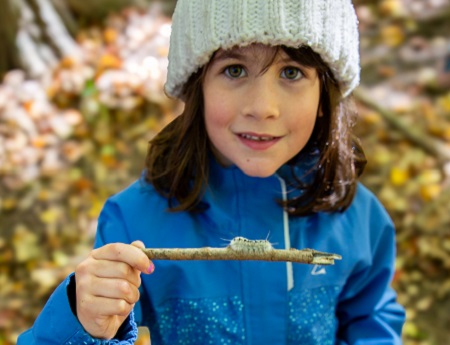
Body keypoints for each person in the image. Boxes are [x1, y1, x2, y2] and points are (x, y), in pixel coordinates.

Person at [18, 0, 406, 344]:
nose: (262, 107)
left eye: (291, 73)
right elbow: (101, 322)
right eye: (235, 70)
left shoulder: (358, 218)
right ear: (197, 86)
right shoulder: (134, 221)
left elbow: (370, 320)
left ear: (325, 95)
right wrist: (84, 323)